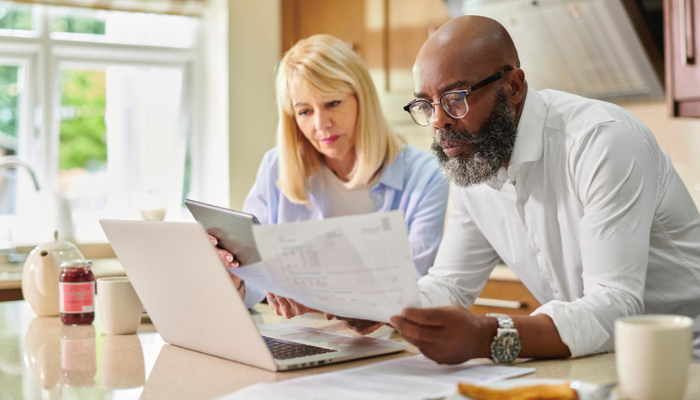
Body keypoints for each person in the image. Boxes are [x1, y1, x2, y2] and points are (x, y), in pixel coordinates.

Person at [387, 15, 700, 364]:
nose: (437, 121)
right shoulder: (474, 160)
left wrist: (487, 337)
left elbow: (615, 305)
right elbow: (449, 285)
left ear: (514, 87)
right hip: (599, 358)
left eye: (455, 98)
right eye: (425, 105)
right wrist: (379, 307)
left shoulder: (600, 142)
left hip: (689, 357)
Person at [211, 34, 449, 318]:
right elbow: (256, 280)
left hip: (390, 342)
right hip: (304, 337)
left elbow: (413, 285)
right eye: (304, 111)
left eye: (333, 103)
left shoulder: (425, 175)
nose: (321, 124)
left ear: (362, 99)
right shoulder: (276, 167)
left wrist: (316, 299)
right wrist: (235, 278)